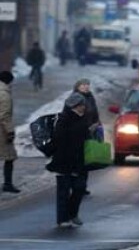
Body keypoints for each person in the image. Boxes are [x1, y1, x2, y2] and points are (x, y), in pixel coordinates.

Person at [46, 93, 88, 227]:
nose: (84, 107)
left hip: (80, 160)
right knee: (63, 191)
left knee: (79, 188)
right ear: (75, 106)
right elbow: (58, 139)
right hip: (64, 160)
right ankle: (63, 219)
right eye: (82, 105)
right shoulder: (64, 119)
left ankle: (72, 213)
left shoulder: (84, 118)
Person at [73, 78, 101, 195]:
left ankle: (82, 186)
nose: (86, 87)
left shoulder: (90, 97)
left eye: (87, 85)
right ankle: (76, 186)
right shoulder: (74, 98)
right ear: (78, 86)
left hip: (90, 132)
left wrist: (96, 123)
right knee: (78, 161)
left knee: (86, 161)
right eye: (83, 85)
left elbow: (95, 113)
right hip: (77, 133)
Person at [0, 71, 20, 193]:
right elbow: (4, 115)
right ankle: (8, 184)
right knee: (9, 157)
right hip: (1, 131)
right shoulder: (4, 94)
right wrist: (10, 132)